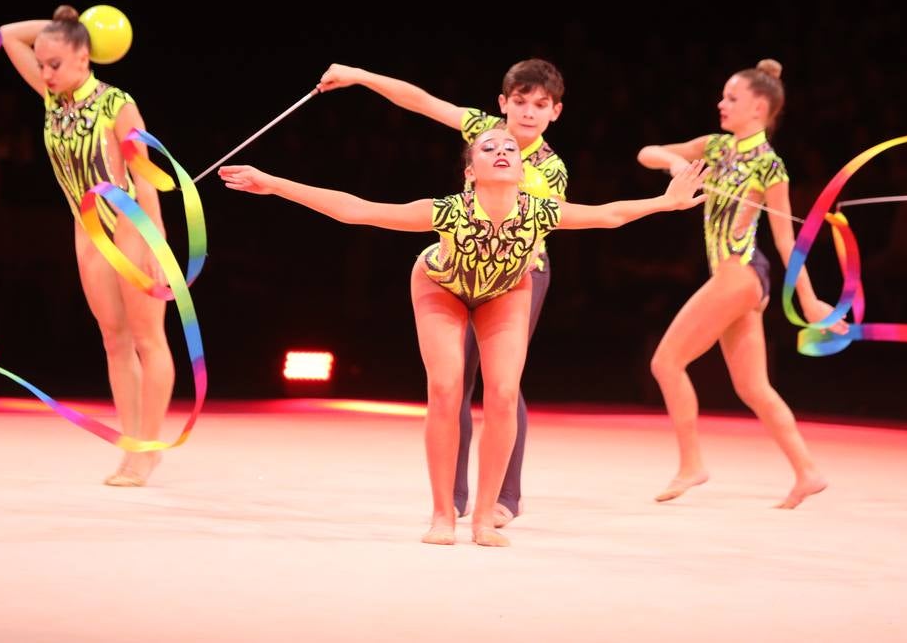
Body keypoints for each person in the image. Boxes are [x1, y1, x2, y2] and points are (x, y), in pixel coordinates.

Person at [221, 125, 707, 545]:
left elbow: (610, 214)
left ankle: (484, 515)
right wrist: (274, 184)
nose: (501, 151)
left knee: (501, 392)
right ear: (470, 170)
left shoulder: (540, 211)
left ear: (520, 169)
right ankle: (440, 512)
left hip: (504, 292)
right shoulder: (449, 210)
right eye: (488, 147)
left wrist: (666, 203)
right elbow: (358, 210)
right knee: (447, 387)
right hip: (441, 286)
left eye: (510, 149)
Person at [316, 60, 566, 526]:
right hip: (462, 261)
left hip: (518, 272)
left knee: (503, 386)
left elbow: (530, 218)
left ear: (554, 112)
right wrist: (360, 76)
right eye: (519, 102)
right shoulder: (485, 132)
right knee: (454, 380)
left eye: (539, 105)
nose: (528, 113)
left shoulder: (550, 172)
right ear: (503, 103)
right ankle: (452, 497)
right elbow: (423, 102)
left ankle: (505, 498)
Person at [637, 59, 838, 508]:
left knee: (666, 363)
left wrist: (810, 301)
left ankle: (692, 464)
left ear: (759, 107)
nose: (721, 104)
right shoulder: (715, 147)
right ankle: (807, 471)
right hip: (743, 281)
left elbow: (789, 241)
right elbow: (646, 152)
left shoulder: (771, 166)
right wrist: (676, 166)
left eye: (731, 98)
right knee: (753, 388)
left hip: (739, 271)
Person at [0, 6, 171, 487]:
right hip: (88, 232)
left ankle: (148, 451)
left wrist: (157, 247)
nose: (46, 73)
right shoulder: (54, 100)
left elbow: (145, 177)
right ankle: (130, 446)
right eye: (43, 64)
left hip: (130, 227)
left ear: (85, 58)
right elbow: (8, 33)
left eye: (55, 64)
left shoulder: (118, 104)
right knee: (115, 342)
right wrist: (61, 27)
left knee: (147, 339)